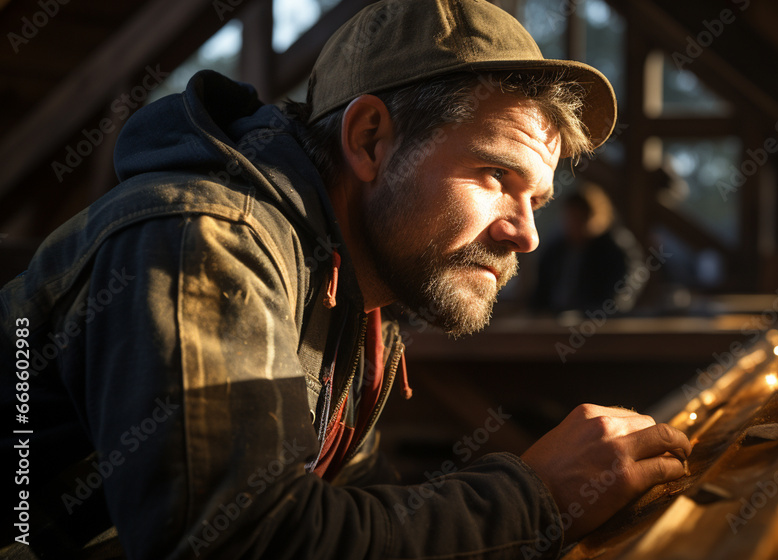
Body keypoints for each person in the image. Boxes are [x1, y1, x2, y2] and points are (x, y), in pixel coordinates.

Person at [1, 1, 691, 558]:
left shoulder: (355, 295)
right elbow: (237, 542)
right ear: (368, 139)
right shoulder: (207, 241)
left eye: (536, 199)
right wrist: (536, 499)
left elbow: (348, 507)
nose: (527, 233)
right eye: (496, 176)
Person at [531, 183, 645, 314]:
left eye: (579, 219)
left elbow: (620, 291)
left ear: (594, 218)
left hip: (599, 324)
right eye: (570, 218)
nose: (573, 225)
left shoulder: (613, 249)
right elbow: (541, 293)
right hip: (554, 322)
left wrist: (594, 313)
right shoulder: (556, 249)